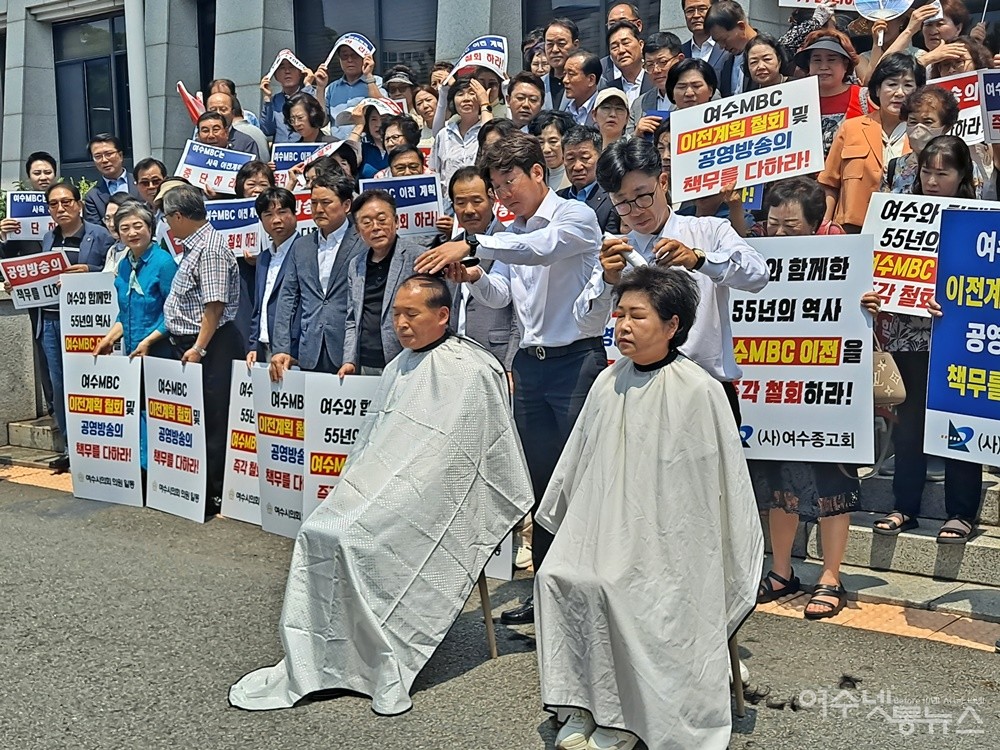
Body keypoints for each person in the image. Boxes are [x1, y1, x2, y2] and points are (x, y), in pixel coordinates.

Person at [229, 274, 533, 715]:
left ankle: (376, 658)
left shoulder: (474, 369)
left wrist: (407, 492)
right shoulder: (399, 366)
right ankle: (325, 661)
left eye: (412, 314)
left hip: (435, 495)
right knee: (319, 531)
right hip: (383, 485)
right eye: (396, 315)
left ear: (443, 315)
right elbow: (373, 444)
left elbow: (465, 456)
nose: (401, 324)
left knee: (358, 540)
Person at [536, 265, 763, 750]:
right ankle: (578, 702)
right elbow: (579, 463)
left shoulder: (698, 390)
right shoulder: (607, 380)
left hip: (671, 543)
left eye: (637, 316)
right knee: (558, 574)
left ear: (673, 325)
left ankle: (622, 719)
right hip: (602, 528)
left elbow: (705, 496)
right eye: (619, 315)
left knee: (619, 586)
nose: (622, 326)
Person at [415, 131, 606, 625]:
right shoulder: (511, 231)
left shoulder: (575, 218)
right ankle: (545, 595)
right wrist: (477, 278)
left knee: (577, 482)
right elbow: (504, 296)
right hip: (530, 364)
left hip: (576, 363)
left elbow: (539, 250)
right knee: (539, 485)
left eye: (508, 183)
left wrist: (473, 243)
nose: (503, 196)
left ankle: (584, 597)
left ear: (539, 172)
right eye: (497, 187)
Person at [752, 177, 881, 620]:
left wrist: (866, 304)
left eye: (792, 226)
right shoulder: (754, 263)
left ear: (816, 223)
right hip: (774, 394)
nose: (781, 235)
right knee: (778, 486)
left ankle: (830, 576)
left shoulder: (845, 258)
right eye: (773, 225)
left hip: (828, 397)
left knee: (830, 485)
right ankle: (782, 570)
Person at [577, 137, 768, 425]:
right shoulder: (616, 252)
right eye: (622, 204)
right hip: (639, 390)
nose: (636, 210)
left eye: (642, 195)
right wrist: (606, 280)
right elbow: (585, 324)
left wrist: (699, 260)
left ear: (663, 182)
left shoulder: (709, 230)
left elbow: (758, 275)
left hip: (707, 389)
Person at [875, 134, 983, 523]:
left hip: (960, 338)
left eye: (943, 172)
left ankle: (962, 512)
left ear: (962, 174)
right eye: (926, 171)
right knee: (909, 425)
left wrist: (953, 303)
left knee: (960, 420)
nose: (933, 180)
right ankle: (904, 506)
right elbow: (878, 271)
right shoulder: (897, 213)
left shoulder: (981, 220)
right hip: (909, 334)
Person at [161, 184, 243, 509]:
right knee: (197, 417)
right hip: (192, 343)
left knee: (213, 418)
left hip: (210, 345)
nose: (167, 225)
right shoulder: (193, 247)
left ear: (179, 216)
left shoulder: (209, 248)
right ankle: (201, 485)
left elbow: (214, 307)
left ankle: (216, 490)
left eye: (168, 218)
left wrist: (199, 349)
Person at [36, 182, 116, 470]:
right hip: (50, 322)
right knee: (59, 386)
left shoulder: (100, 236)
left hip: (86, 325)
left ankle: (96, 447)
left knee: (89, 384)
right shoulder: (47, 238)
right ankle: (71, 448)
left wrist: (89, 271)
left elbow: (113, 271)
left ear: (79, 204)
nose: (61, 208)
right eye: (54, 204)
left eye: (67, 202)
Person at [92, 202, 178, 471]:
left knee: (160, 411)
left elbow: (173, 311)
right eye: (125, 228)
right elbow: (125, 311)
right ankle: (142, 468)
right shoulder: (124, 264)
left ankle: (161, 471)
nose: (132, 232)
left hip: (160, 350)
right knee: (138, 408)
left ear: (150, 228)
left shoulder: (163, 262)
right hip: (132, 351)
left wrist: (149, 340)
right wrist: (109, 338)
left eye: (138, 226)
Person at [270, 172, 365, 379]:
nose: (318, 209)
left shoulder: (363, 242)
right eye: (313, 203)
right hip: (309, 349)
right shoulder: (301, 246)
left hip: (349, 351)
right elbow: (287, 299)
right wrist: (281, 348)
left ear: (346, 205)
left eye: (326, 202)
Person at [819, 53, 924, 234]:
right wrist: (824, 228)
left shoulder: (924, 133)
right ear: (876, 90)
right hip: (851, 232)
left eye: (908, 85)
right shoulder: (851, 128)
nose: (899, 93)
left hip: (904, 233)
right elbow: (829, 184)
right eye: (891, 84)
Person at [338, 189, 422, 377]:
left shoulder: (418, 257)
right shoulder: (356, 265)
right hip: (366, 361)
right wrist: (349, 360)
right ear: (359, 231)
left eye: (382, 219)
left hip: (407, 359)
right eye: (366, 223)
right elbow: (352, 318)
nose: (375, 227)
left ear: (397, 221)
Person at [0, 151, 58, 419]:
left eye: (47, 172)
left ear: (55, 173)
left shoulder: (63, 203)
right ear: (29, 177)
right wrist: (2, 235)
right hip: (34, 297)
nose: (43, 177)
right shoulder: (17, 212)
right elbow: (7, 258)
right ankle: (53, 406)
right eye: (37, 173)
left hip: (61, 295)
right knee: (44, 352)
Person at [793, 30, 870, 157]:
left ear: (845, 64)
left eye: (831, 59)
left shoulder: (865, 98)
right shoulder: (795, 100)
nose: (824, 66)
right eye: (817, 60)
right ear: (809, 65)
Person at [246, 187, 299, 367]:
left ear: (295, 213)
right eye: (268, 214)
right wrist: (253, 344)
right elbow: (259, 305)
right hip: (265, 346)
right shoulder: (263, 257)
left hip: (293, 350)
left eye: (282, 212)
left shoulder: (306, 251)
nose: (276, 220)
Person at [883, 86, 961, 194]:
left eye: (928, 122)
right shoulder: (894, 167)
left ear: (946, 127)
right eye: (913, 122)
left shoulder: (962, 166)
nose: (919, 129)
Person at [430, 78, 494, 190]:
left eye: (472, 93)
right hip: (450, 203)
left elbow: (492, 141)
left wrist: (485, 103)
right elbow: (434, 171)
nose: (466, 99)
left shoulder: (487, 129)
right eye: (460, 94)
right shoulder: (444, 134)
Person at [314, 33, 386, 132]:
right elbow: (321, 122)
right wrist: (320, 88)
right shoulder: (331, 88)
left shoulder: (377, 82)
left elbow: (383, 111)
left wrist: (369, 75)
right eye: (344, 56)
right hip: (338, 144)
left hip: (366, 144)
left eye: (355, 55)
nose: (350, 60)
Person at [558, 125, 621, 234]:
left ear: (600, 158)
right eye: (570, 159)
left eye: (585, 158)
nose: (577, 167)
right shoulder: (556, 199)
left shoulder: (613, 199)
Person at [631, 32, 684, 139]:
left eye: (663, 62)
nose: (656, 70)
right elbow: (625, 145)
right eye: (649, 65)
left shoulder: (701, 93)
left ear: (680, 59)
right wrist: (636, 135)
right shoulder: (639, 104)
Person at [83, 134, 140, 225]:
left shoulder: (141, 183)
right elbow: (96, 230)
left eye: (109, 154)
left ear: (120, 155)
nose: (104, 160)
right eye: (98, 156)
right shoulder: (93, 197)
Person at [259, 54, 318, 143]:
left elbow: (316, 120)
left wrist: (308, 86)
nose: (287, 71)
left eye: (291, 67)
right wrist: (267, 98)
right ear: (275, 76)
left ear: (300, 73)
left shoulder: (311, 93)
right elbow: (267, 130)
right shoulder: (274, 101)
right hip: (281, 153)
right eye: (282, 68)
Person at [681, 0, 731, 85]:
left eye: (702, 9)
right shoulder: (679, 52)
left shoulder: (729, 48)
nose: (696, 15)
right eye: (690, 11)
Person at [605, 20, 651, 107]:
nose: (621, 50)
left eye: (626, 43)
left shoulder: (656, 82)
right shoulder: (608, 90)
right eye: (614, 47)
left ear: (641, 45)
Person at [205, 93, 264, 159]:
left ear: (233, 113)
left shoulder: (246, 143)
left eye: (223, 109)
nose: (218, 113)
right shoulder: (199, 142)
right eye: (213, 110)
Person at [527, 110, 575, 191]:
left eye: (553, 142)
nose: (546, 149)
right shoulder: (534, 175)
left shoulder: (578, 175)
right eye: (541, 142)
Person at [600, 3, 644, 83]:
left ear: (638, 25)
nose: (621, 50)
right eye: (612, 24)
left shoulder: (654, 65)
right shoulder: (600, 70)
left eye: (623, 21)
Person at [543, 18, 581, 109]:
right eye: (550, 44)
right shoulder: (538, 85)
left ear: (575, 45)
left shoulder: (588, 83)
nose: (555, 50)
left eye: (561, 44)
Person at [561, 50, 602, 126]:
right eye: (564, 74)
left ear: (591, 80)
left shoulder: (604, 110)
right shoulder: (564, 108)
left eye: (571, 74)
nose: (565, 80)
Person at [100, 192, 137, 274]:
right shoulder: (112, 250)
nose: (111, 224)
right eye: (107, 218)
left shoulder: (138, 248)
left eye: (116, 217)